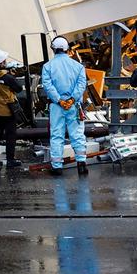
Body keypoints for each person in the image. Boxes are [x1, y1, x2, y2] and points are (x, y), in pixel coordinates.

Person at [41, 35, 90, 176]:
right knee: (77, 134)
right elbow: (82, 85)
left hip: (57, 106)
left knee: (57, 135)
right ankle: (81, 163)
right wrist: (72, 99)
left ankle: (57, 166)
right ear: (67, 49)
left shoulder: (47, 67)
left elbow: (48, 86)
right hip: (74, 106)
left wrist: (59, 100)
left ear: (53, 49)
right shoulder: (78, 66)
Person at [0, 49, 24, 170]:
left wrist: (6, 72)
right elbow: (18, 89)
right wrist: (11, 74)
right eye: (4, 61)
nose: (6, 62)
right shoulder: (8, 78)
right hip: (7, 110)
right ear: (1, 63)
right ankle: (10, 160)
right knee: (10, 135)